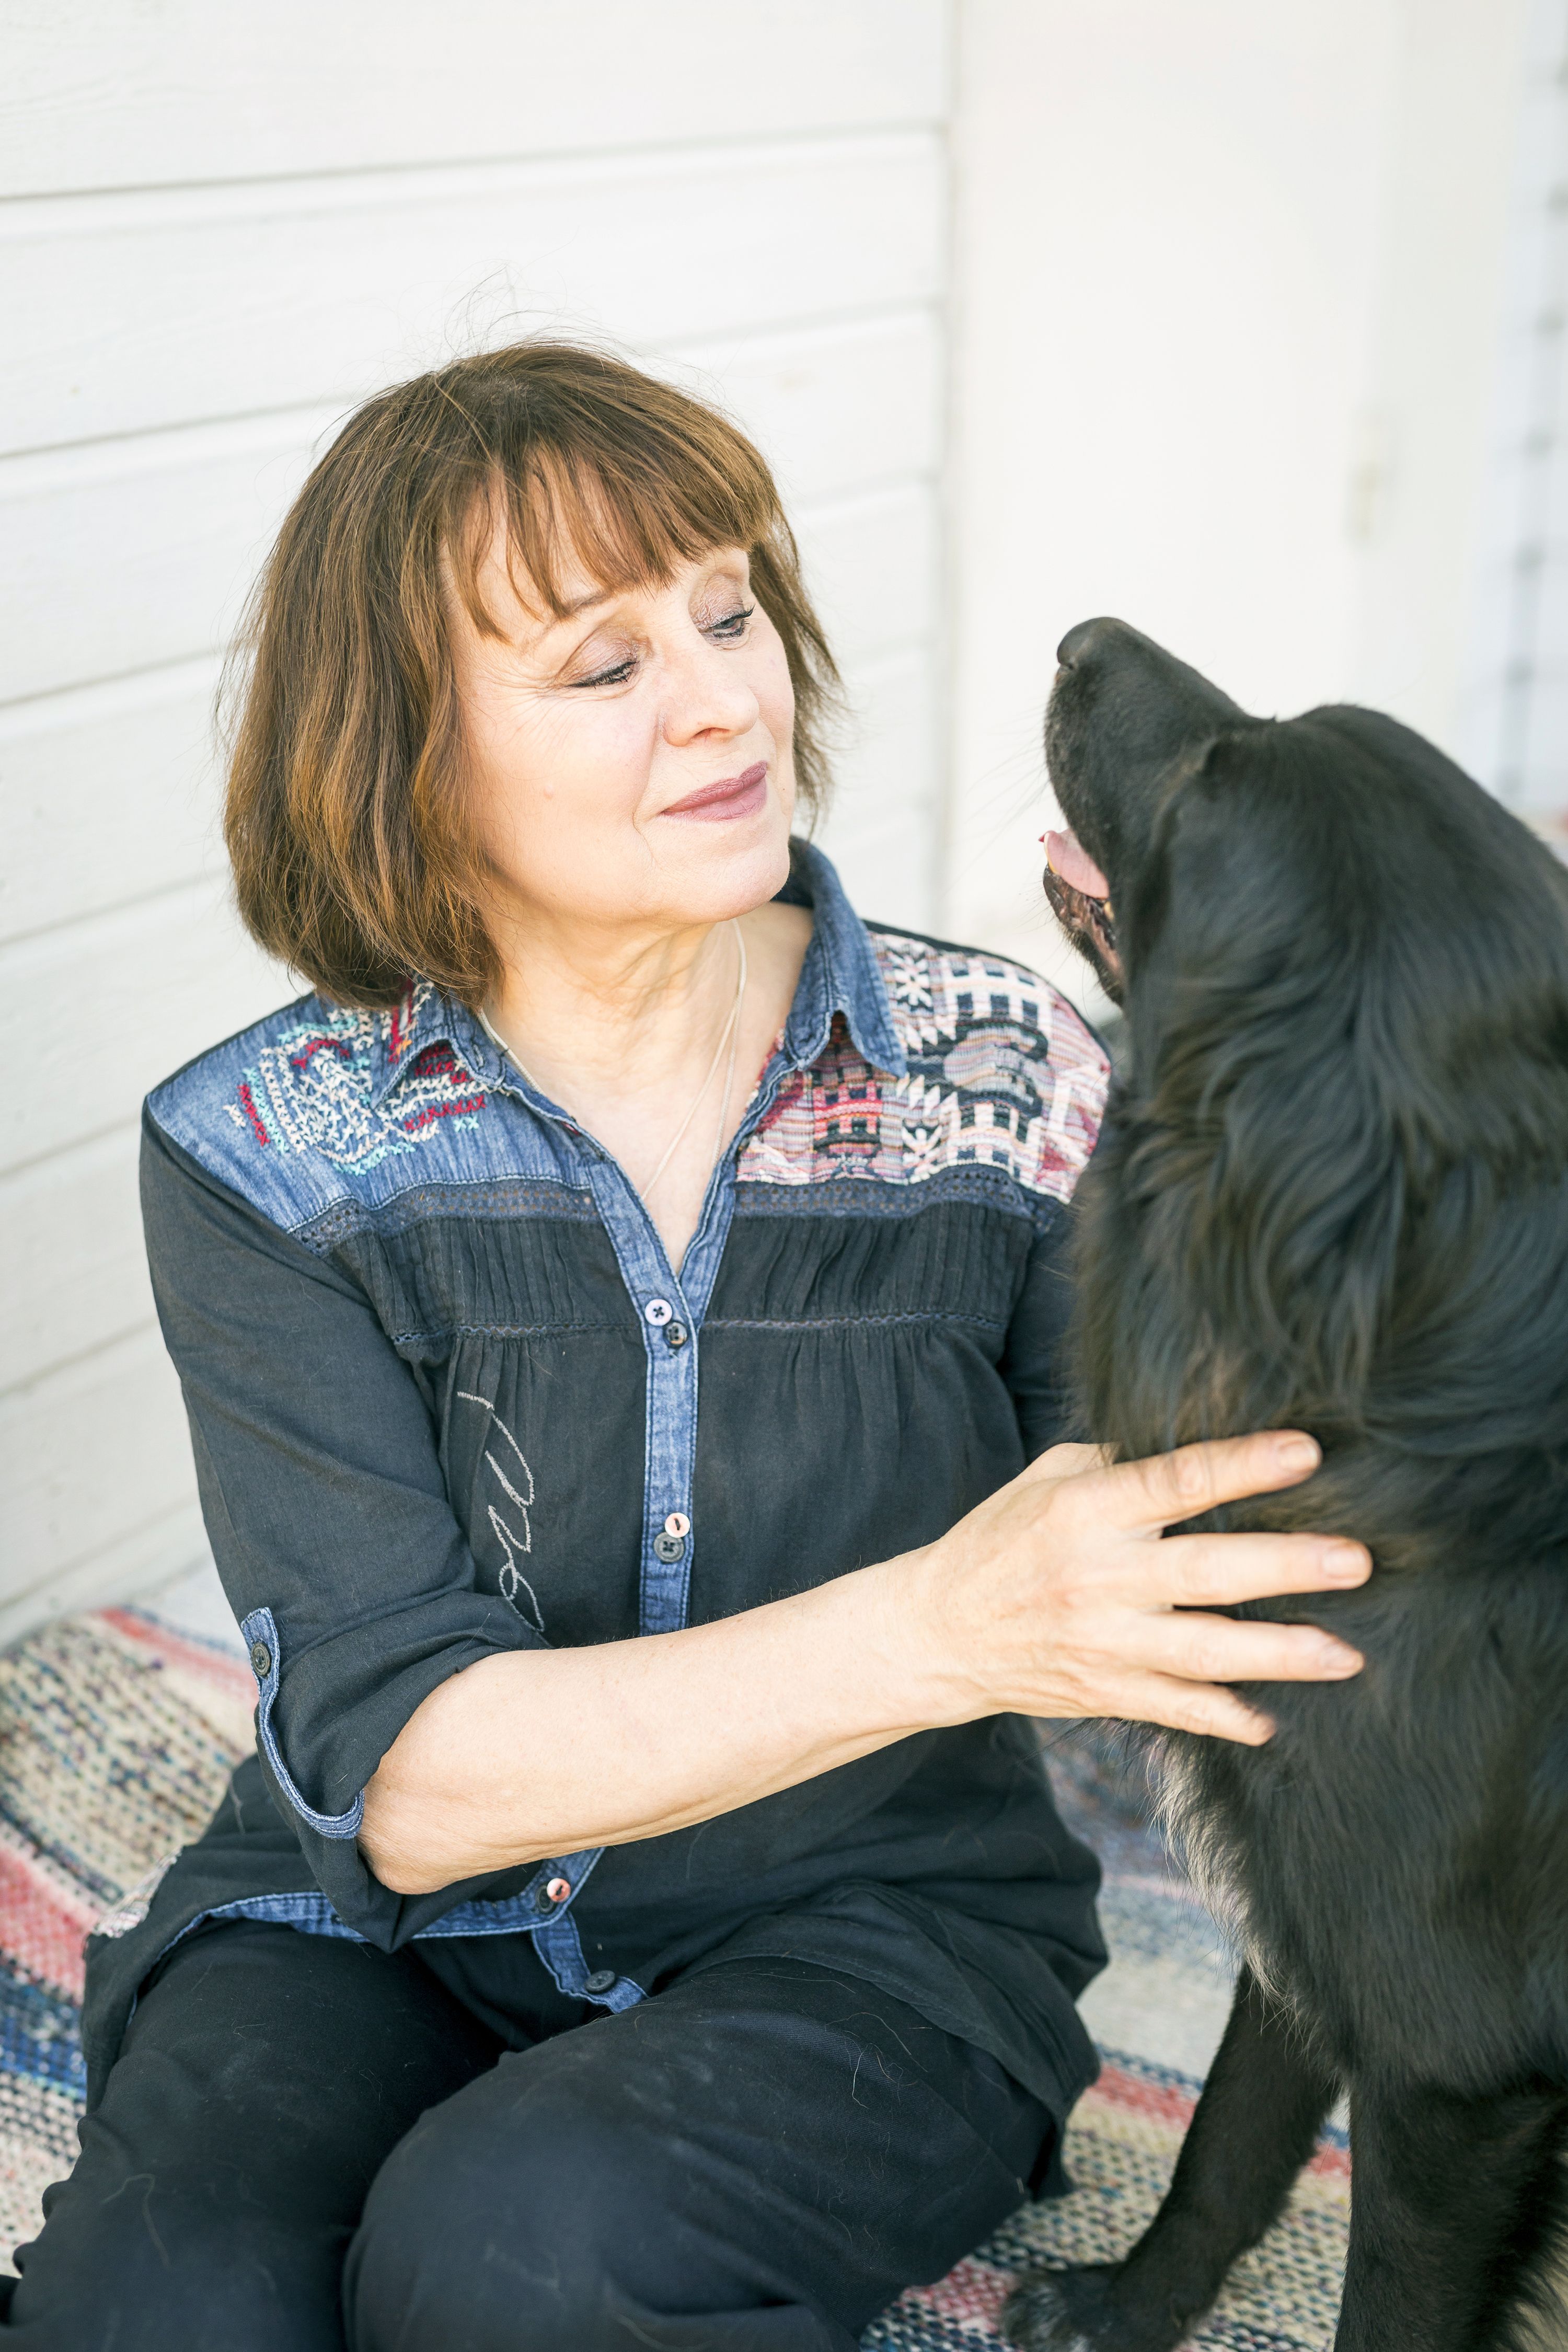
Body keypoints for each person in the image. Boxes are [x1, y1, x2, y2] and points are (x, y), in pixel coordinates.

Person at [2, 344, 1370, 2352]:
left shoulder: (1008, 1082)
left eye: (729, 607)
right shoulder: (271, 1153)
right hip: (375, 1932)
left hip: (870, 1933)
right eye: (602, 661)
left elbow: (1209, 1546)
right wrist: (954, 1622)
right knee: (169, 2303)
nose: (729, 695)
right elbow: (407, 1784)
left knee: (513, 2256)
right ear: (405, 757)